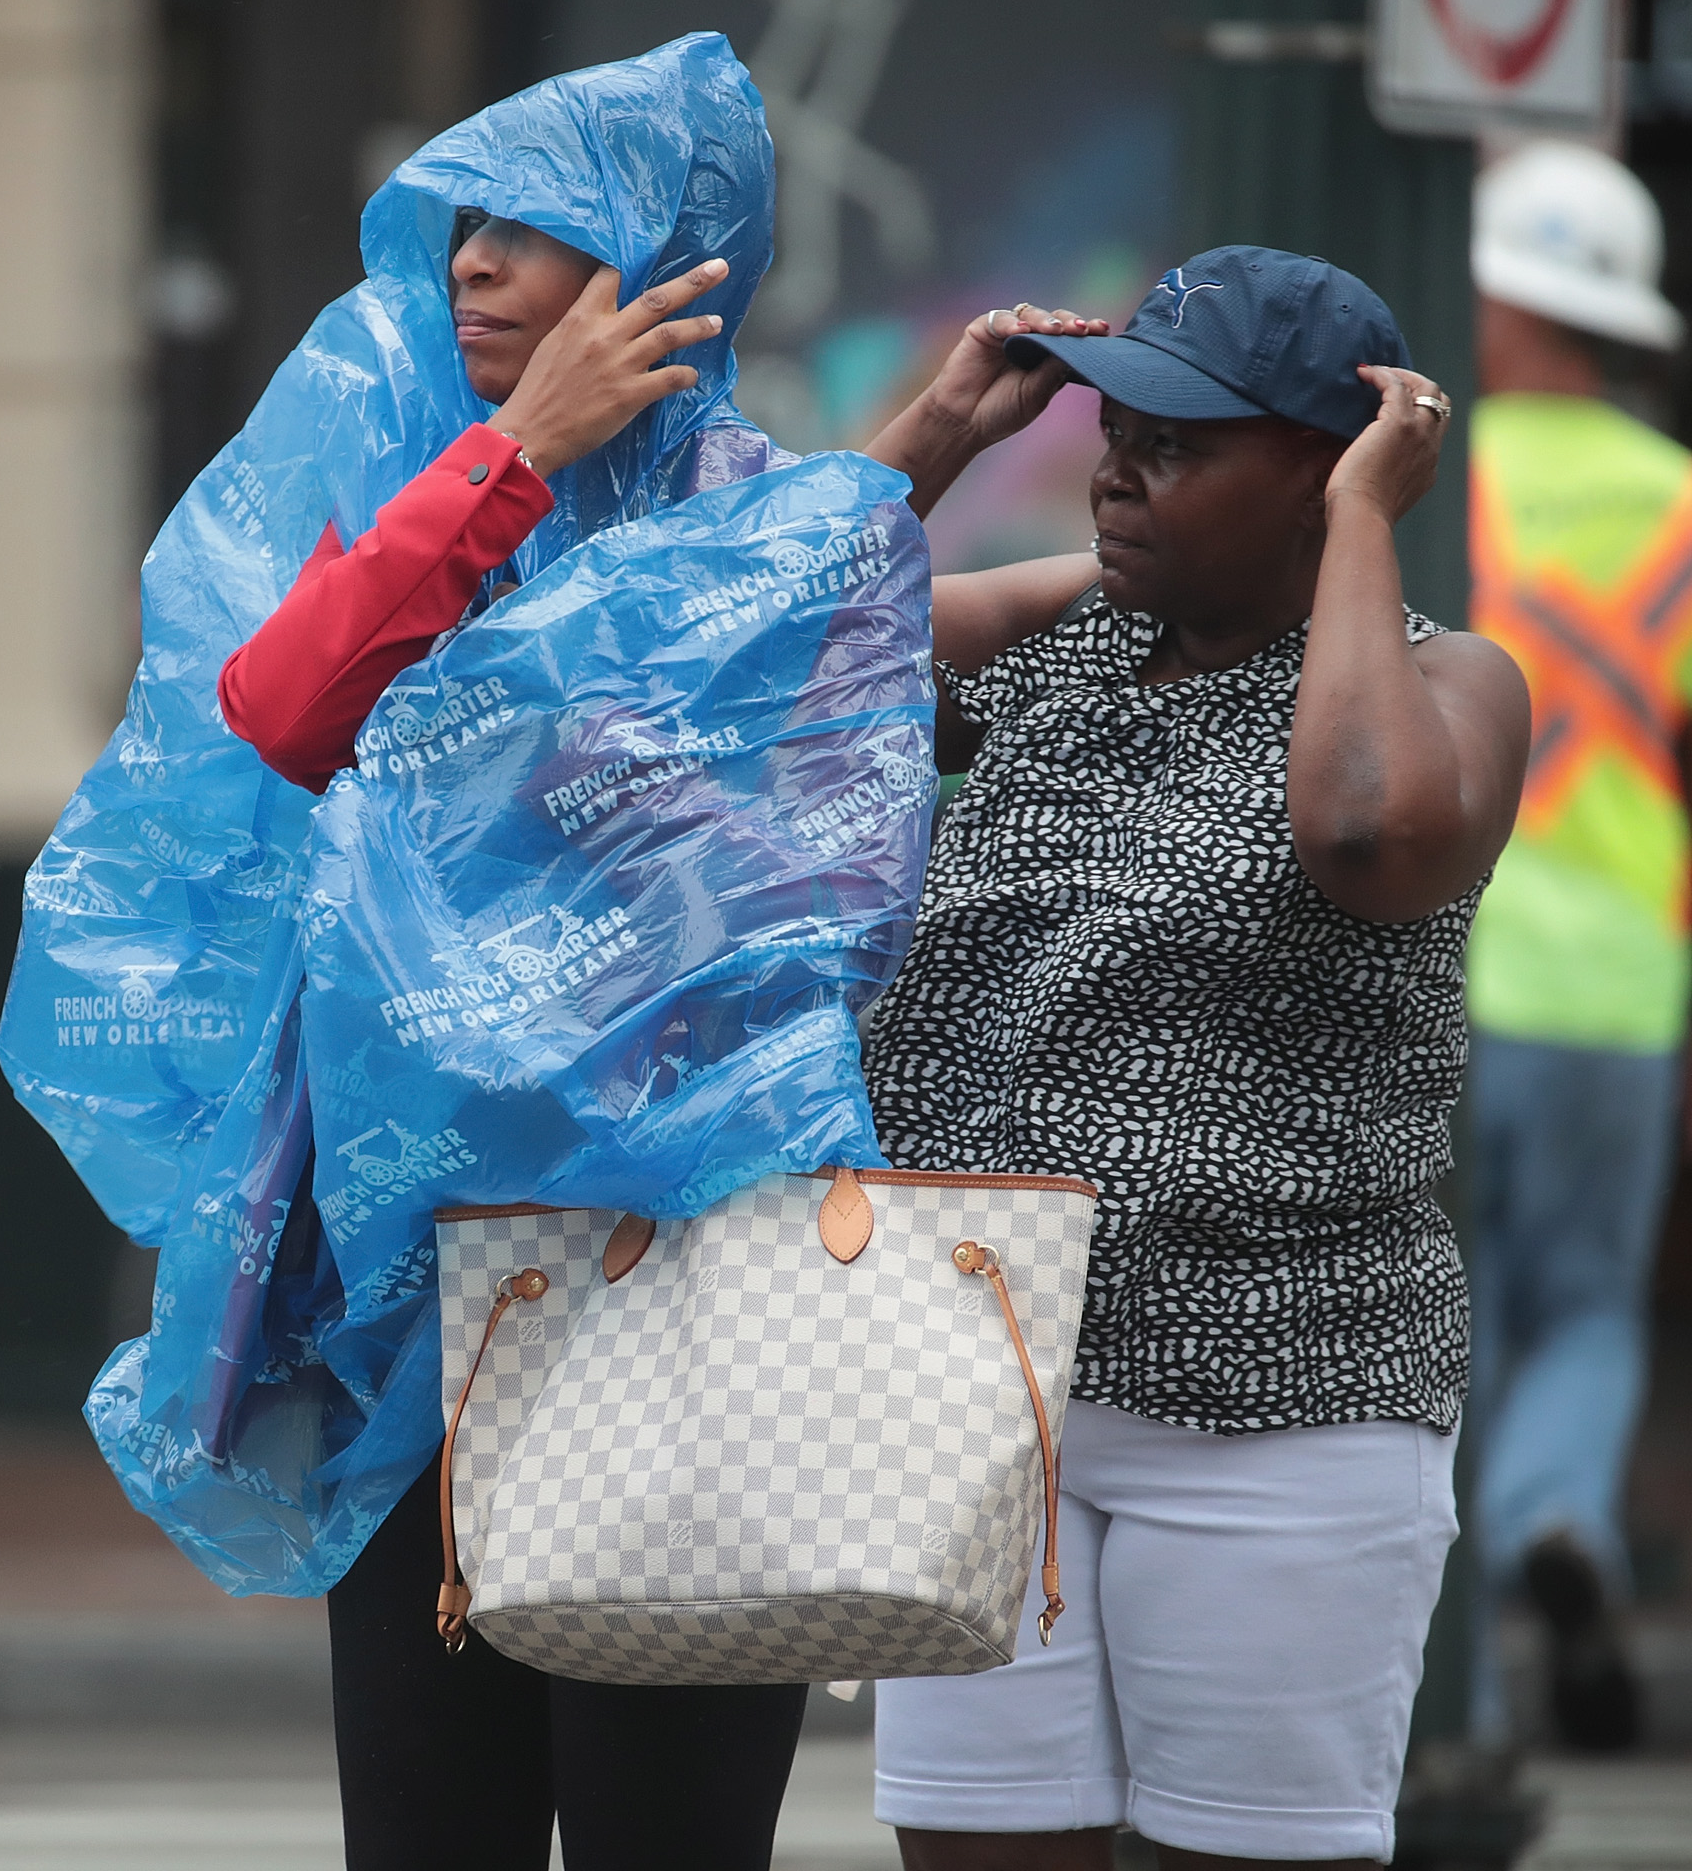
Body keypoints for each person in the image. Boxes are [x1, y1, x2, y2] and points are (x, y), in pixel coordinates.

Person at [217, 206, 1113, 1865]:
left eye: (528, 235)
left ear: (665, 267)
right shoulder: (440, 486)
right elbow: (288, 706)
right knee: (426, 1826)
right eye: (462, 239)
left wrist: (943, 460)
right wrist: (525, 448)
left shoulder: (750, 509)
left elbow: (754, 622)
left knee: (672, 1832)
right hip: (421, 1304)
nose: (472, 269)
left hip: (700, 1296)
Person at [857, 249, 1527, 1868]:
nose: (1120, 469)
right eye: (1118, 426)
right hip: (975, 1395)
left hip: (1280, 1403)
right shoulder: (1062, 630)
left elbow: (1370, 831)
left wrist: (1368, 528)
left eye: (1185, 441)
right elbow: (734, 652)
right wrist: (943, 427)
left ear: (1327, 464)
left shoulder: (1452, 683)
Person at [1459, 139, 1691, 1754]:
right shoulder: (1682, 506)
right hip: (1625, 986)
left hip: (1458, 964)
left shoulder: (1430, 474)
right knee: (1593, 1308)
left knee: (1439, 1322)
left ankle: (1456, 1695)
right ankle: (1561, 1520)